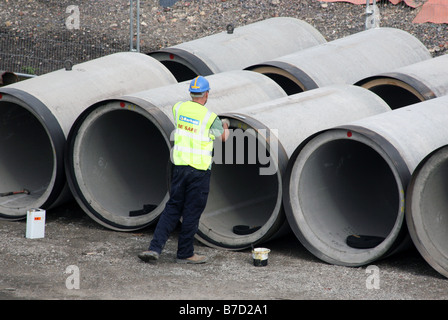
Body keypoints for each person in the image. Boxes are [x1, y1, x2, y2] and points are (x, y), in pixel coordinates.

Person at [138, 76, 229, 264]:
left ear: (191, 93)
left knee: (172, 207)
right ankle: (185, 253)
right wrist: (225, 124)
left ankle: (154, 249)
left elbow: (190, 126)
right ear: (206, 94)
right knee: (192, 211)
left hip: (179, 168)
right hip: (199, 171)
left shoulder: (178, 108)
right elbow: (223, 137)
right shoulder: (210, 117)